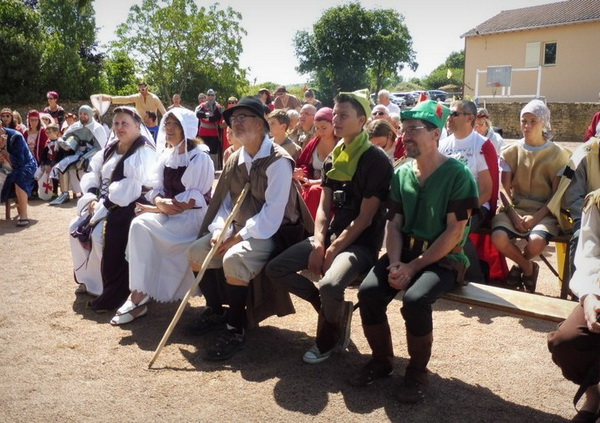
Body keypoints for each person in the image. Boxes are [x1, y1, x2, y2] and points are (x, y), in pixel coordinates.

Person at [349, 100, 478, 404]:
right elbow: (394, 225)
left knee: (416, 300)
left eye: (414, 130)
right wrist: (395, 263)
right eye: (403, 130)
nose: (406, 136)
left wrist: (414, 266)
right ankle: (382, 361)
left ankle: (417, 372)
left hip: (444, 259)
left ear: (435, 134)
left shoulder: (458, 175)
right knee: (368, 292)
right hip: (403, 254)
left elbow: (454, 232)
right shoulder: (401, 174)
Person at [266, 89, 393, 364]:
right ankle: (327, 309)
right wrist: (320, 241)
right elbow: (324, 207)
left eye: (343, 115)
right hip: (333, 236)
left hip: (360, 243)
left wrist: (332, 250)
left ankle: (328, 336)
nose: (336, 119)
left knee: (330, 284)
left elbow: (366, 218)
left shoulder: (376, 160)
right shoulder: (334, 157)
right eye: (334, 113)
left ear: (362, 120)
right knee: (275, 269)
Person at [186, 96, 301, 361]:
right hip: (234, 228)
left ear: (261, 124)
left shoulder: (278, 162)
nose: (235, 123)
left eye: (242, 118)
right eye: (232, 119)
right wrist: (219, 231)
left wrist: (237, 237)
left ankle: (235, 329)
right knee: (195, 252)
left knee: (235, 259)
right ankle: (216, 310)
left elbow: (272, 215)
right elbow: (225, 205)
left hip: (272, 232)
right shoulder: (234, 159)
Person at [110, 108, 214, 325]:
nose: (169, 130)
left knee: (146, 228)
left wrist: (164, 206)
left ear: (187, 129)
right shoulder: (167, 155)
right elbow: (155, 188)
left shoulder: (200, 157)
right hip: (170, 214)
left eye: (175, 125)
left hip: (191, 219)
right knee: (138, 225)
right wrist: (158, 203)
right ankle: (139, 291)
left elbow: (191, 201)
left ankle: (141, 295)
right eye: (168, 125)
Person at [69, 106, 156, 309]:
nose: (119, 127)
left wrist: (103, 205)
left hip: (130, 203)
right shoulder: (110, 147)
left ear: (137, 125)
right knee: (75, 226)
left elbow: (132, 187)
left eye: (124, 123)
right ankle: (91, 281)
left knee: (100, 233)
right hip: (104, 202)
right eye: (116, 123)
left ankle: (111, 289)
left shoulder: (143, 150)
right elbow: (94, 172)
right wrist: (91, 197)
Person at [491, 100, 571, 292]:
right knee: (499, 237)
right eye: (523, 120)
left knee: (536, 242)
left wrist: (536, 217)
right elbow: (503, 188)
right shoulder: (511, 151)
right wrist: (512, 214)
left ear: (543, 123)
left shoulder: (558, 154)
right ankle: (528, 267)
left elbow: (556, 194)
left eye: (532, 121)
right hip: (515, 207)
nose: (526, 126)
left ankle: (519, 267)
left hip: (545, 211)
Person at [548, 189, 600, 422]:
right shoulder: (598, 200)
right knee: (566, 343)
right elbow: (589, 253)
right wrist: (589, 297)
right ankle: (594, 398)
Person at [439, 100, 498, 283]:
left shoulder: (481, 145)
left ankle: (476, 278)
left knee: (459, 230)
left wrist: (465, 209)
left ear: (470, 118)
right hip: (447, 205)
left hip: (477, 205)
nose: (449, 118)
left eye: (455, 114)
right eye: (449, 113)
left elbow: (487, 190)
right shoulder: (443, 144)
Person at [50, 105, 108, 205]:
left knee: (88, 165)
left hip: (92, 154)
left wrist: (85, 157)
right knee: (62, 165)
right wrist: (60, 141)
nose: (82, 116)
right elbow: (63, 138)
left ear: (90, 115)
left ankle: (92, 192)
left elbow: (99, 148)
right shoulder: (75, 126)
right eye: (80, 114)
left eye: (85, 114)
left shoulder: (97, 128)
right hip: (77, 153)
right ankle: (64, 194)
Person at [293, 107, 337, 219]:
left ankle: (312, 226)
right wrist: (302, 174)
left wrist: (316, 182)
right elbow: (304, 164)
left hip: (333, 186)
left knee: (314, 191)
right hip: (310, 182)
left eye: (324, 128)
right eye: (317, 128)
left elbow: (340, 173)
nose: (320, 132)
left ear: (333, 125)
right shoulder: (314, 143)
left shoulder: (341, 145)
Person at [0, 124, 37, 226]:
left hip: (25, 165)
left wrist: (3, 149)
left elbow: (19, 162)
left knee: (19, 175)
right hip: (4, 167)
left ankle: (23, 214)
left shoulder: (15, 137)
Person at [99, 81, 167, 119]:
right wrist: (110, 99)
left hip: (152, 126)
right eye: (139, 90)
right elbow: (125, 99)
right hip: (140, 126)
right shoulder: (137, 97)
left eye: (143, 89)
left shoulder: (154, 98)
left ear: (147, 88)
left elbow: (163, 111)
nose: (141, 91)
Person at [195, 88, 223, 170]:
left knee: (213, 152)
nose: (210, 96)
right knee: (203, 151)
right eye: (209, 95)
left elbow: (217, 117)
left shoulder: (218, 106)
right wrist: (208, 115)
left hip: (214, 133)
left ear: (214, 96)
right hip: (203, 133)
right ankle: (203, 169)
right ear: (207, 96)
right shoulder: (202, 106)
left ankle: (213, 169)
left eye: (212, 95)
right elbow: (198, 114)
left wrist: (208, 119)